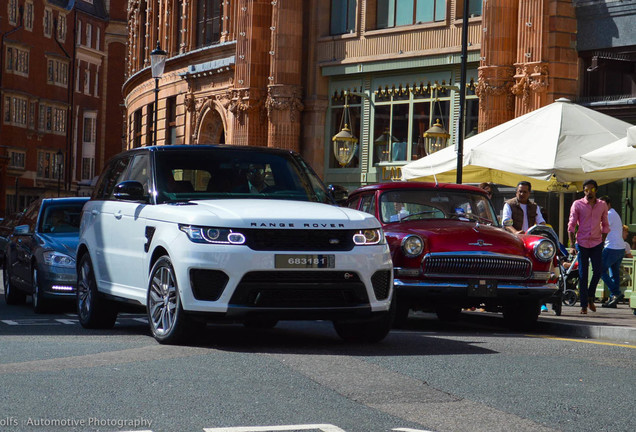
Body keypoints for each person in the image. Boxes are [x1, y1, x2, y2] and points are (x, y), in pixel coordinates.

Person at [568, 179, 610, 314]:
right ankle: (584, 305)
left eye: (591, 190)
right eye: (586, 190)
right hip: (582, 242)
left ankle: (590, 296)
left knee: (598, 271)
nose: (588, 193)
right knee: (583, 274)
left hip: (597, 242)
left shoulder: (602, 205)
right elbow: (571, 225)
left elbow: (605, 224)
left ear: (596, 190)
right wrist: (572, 245)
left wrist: (603, 241)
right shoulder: (578, 204)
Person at [599, 196, 626, 308]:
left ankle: (616, 293)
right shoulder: (614, 213)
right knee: (614, 274)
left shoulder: (609, 214)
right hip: (620, 248)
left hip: (612, 247)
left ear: (609, 204)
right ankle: (613, 300)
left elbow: (601, 228)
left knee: (599, 270)